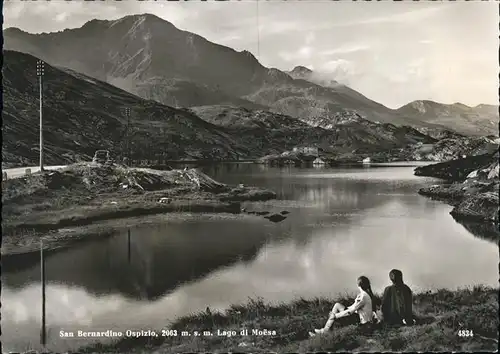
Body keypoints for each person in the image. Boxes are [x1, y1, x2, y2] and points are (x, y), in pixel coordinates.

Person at [309, 276, 378, 336]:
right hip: (361, 319)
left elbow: (350, 312)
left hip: (363, 324)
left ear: (358, 284)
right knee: (337, 305)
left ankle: (325, 331)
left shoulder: (363, 296)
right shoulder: (365, 294)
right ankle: (325, 330)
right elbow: (352, 307)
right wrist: (342, 311)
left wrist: (335, 316)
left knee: (337, 307)